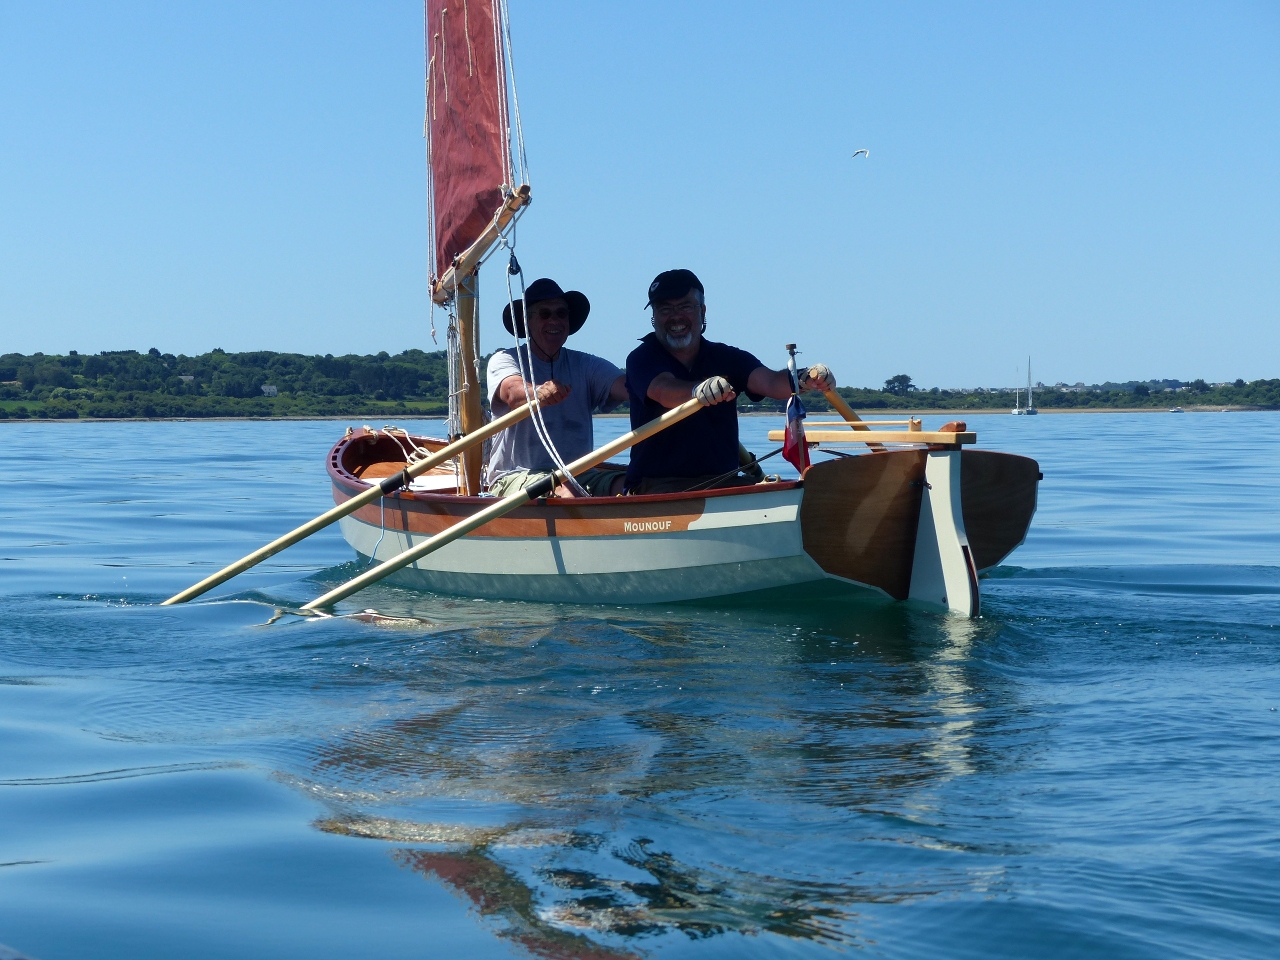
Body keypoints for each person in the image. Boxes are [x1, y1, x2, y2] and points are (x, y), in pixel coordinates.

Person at [624, 269, 834, 495]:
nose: (676, 317)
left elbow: (771, 382)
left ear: (702, 311)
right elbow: (663, 390)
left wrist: (805, 377)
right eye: (665, 309)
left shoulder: (727, 357)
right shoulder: (641, 358)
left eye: (685, 306)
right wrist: (698, 390)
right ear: (654, 316)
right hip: (655, 487)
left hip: (722, 484)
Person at [485, 278, 630, 497]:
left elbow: (629, 387)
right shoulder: (505, 359)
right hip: (515, 476)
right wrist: (539, 392)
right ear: (526, 322)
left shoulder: (587, 365)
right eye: (545, 314)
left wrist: (665, 389)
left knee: (634, 486)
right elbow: (512, 392)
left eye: (561, 314)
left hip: (578, 474)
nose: (554, 321)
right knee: (567, 493)